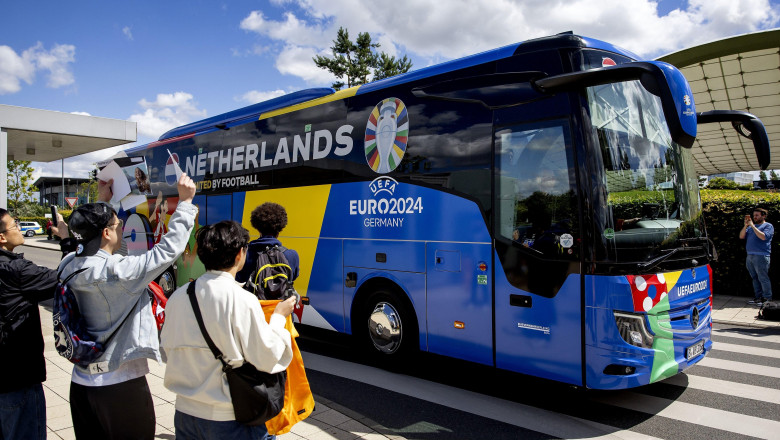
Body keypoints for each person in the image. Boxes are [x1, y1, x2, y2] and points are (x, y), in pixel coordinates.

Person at [58, 173, 197, 439]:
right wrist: (186, 202)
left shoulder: (68, 265)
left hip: (81, 383)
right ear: (107, 233)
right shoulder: (119, 272)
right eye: (117, 224)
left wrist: (102, 202)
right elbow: (168, 251)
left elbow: (86, 240)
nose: (122, 227)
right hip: (120, 386)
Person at [161, 220, 296, 440]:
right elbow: (268, 357)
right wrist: (278, 318)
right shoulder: (242, 300)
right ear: (240, 255)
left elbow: (168, 348)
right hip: (229, 417)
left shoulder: (178, 297)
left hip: (185, 414)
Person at [0, 208, 74, 439]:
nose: (19, 227)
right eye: (15, 225)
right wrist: (66, 239)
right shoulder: (16, 270)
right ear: (2, 237)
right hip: (17, 375)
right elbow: (66, 278)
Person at [236, 202, 300, 284]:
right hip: (279, 297)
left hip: (248, 296)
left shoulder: (243, 253)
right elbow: (292, 278)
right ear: (281, 228)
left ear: (258, 228)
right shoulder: (291, 255)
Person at [740, 207, 774, 305]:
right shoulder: (750, 226)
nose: (754, 217)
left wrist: (753, 226)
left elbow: (763, 237)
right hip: (750, 255)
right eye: (754, 215)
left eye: (757, 215)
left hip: (761, 256)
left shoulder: (768, 226)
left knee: (763, 277)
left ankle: (767, 298)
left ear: (763, 216)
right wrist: (746, 226)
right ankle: (758, 297)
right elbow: (741, 236)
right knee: (754, 277)